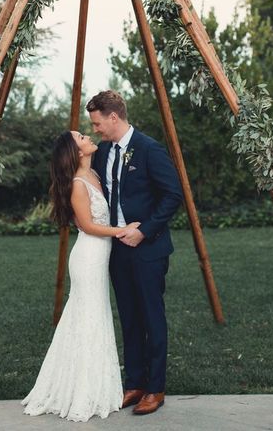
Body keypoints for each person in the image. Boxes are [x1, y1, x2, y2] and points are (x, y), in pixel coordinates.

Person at [21, 130, 140, 423]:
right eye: (82, 137)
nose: (88, 136)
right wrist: (123, 231)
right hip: (88, 257)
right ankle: (81, 390)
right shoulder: (76, 184)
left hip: (100, 257)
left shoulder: (95, 176)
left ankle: (94, 384)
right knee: (88, 317)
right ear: (77, 151)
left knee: (93, 316)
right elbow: (87, 225)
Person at [86, 90, 183, 416]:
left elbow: (172, 195)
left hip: (148, 249)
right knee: (128, 317)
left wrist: (144, 230)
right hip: (116, 250)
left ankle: (155, 389)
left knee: (151, 318)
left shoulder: (149, 149)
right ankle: (135, 383)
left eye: (98, 123)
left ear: (114, 117)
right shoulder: (101, 152)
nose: (96, 129)